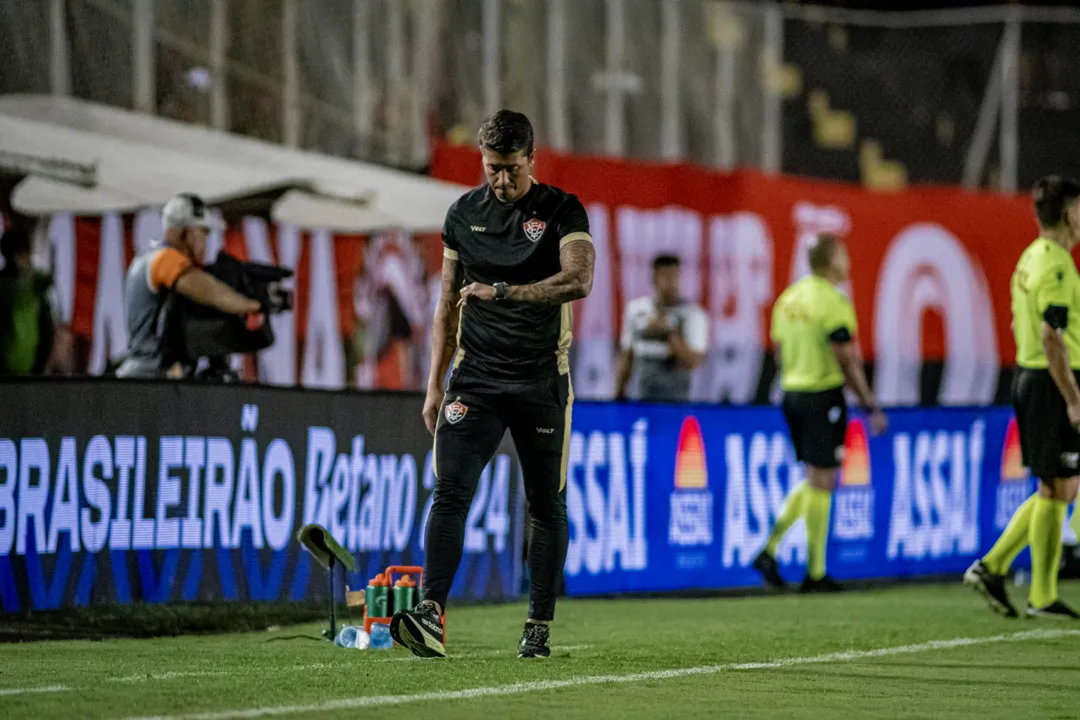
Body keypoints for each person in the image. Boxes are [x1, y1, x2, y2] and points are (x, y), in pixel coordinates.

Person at [390, 110, 594, 659]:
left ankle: (538, 625)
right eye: (491, 169)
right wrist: (434, 386)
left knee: (544, 505)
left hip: (540, 380)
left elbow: (579, 279)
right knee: (450, 492)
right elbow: (446, 305)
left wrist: (503, 291)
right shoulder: (462, 214)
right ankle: (430, 616)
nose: (500, 181)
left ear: (531, 159)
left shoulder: (561, 210)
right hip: (475, 378)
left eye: (510, 169)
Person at [965, 175, 1080, 619]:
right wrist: (1072, 396)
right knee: (1059, 486)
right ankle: (1025, 585)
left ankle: (1015, 580)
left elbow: (1022, 327)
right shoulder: (1055, 266)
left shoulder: (1029, 259)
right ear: (1069, 212)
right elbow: (1052, 337)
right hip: (1051, 381)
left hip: (1031, 376)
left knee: (1056, 486)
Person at [753, 234, 886, 593]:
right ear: (831, 261)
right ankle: (815, 572)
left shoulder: (788, 299)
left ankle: (770, 551)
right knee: (823, 480)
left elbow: (779, 352)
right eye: (843, 255)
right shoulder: (833, 302)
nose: (848, 262)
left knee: (815, 478)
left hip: (792, 394)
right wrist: (870, 404)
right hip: (822, 394)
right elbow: (846, 358)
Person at [115, 194, 262, 379]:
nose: (205, 240)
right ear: (187, 232)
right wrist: (253, 304)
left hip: (150, 377)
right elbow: (211, 293)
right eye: (203, 232)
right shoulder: (164, 259)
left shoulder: (149, 256)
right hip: (151, 378)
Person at [614, 254, 708, 403]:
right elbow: (627, 355)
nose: (671, 282)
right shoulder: (636, 310)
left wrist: (668, 333)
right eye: (665, 276)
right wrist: (618, 392)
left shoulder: (693, 315)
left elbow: (692, 361)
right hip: (640, 399)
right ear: (654, 278)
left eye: (674, 276)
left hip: (676, 402)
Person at [0, 225, 60, 376]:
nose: (21, 260)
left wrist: (41, 367)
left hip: (31, 373)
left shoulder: (38, 285)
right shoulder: (2, 287)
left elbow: (48, 330)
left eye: (24, 253)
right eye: (16, 254)